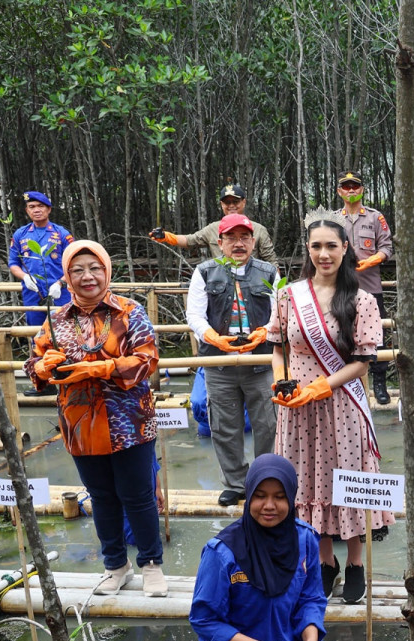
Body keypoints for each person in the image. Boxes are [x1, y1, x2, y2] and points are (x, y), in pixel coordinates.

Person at [23, 240, 166, 597]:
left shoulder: (129, 312)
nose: (88, 276)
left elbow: (148, 360)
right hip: (81, 424)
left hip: (128, 422)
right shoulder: (55, 320)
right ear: (67, 276)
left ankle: (151, 564)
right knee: (101, 496)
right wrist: (41, 368)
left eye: (94, 268)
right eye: (77, 270)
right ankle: (116, 565)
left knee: (139, 496)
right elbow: (35, 365)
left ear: (106, 270)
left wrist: (106, 367)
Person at [270, 211, 394, 604]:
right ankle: (326, 562)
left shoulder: (362, 300)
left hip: (341, 404)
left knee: (347, 479)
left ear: (345, 250)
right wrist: (281, 382)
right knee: (309, 481)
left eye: (332, 246)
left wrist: (323, 385)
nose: (324, 254)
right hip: (298, 409)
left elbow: (363, 361)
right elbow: (278, 346)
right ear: (308, 250)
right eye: (316, 246)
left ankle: (355, 561)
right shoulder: (289, 295)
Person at [177, 454, 359, 641]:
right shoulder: (222, 553)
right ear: (249, 496)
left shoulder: (304, 539)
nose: (269, 505)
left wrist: (310, 638)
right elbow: (204, 621)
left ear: (292, 498)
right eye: (260, 495)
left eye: (280, 497)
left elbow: (311, 598)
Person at [185, 213, 280, 506]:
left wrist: (265, 331)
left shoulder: (269, 272)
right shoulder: (204, 272)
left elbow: (280, 312)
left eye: (244, 238)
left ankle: (265, 481)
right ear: (220, 242)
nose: (238, 244)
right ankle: (236, 483)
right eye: (231, 238)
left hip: (261, 361)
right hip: (219, 363)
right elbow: (195, 315)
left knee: (268, 424)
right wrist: (213, 337)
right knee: (224, 426)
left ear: (253, 241)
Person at [336, 171, 394, 405]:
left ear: (362, 190)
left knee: (377, 336)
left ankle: (379, 384)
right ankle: (346, 382)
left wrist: (372, 260)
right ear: (339, 191)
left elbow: (387, 247)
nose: (351, 191)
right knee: (342, 333)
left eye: (355, 187)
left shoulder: (375, 217)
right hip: (340, 288)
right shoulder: (333, 219)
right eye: (346, 187)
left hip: (370, 288)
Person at [149, 183, 277, 263]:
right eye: (227, 202)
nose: (231, 205)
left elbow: (271, 261)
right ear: (222, 205)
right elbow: (190, 240)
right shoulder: (213, 229)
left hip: (251, 284)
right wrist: (166, 237)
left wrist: (278, 293)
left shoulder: (258, 229)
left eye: (235, 202)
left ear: (243, 202)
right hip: (221, 285)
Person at [9, 190, 76, 330]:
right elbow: (13, 263)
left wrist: (60, 283)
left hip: (59, 293)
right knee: (36, 332)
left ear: (49, 209)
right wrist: (25, 277)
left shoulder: (61, 234)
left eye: (41, 206)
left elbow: (74, 264)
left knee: (64, 333)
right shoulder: (20, 234)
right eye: (32, 207)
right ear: (27, 210)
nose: (36, 210)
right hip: (33, 293)